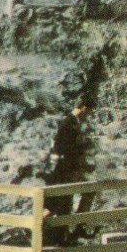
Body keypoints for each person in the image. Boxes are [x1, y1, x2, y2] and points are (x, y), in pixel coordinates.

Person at [43, 100, 93, 244]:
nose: (88, 116)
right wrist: (81, 148)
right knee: (59, 205)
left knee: (62, 205)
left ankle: (68, 233)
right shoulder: (68, 124)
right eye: (88, 112)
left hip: (65, 171)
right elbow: (61, 149)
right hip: (64, 171)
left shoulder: (71, 122)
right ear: (83, 108)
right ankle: (77, 227)